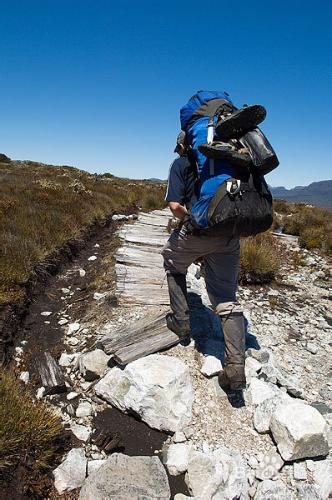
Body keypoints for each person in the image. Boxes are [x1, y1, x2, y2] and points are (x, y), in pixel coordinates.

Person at [161, 132, 246, 391]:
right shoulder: (229, 161)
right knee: (225, 295)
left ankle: (181, 321)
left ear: (185, 144)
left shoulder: (181, 164)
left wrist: (192, 219)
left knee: (172, 262)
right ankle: (235, 368)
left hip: (197, 232)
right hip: (229, 236)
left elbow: (175, 206)